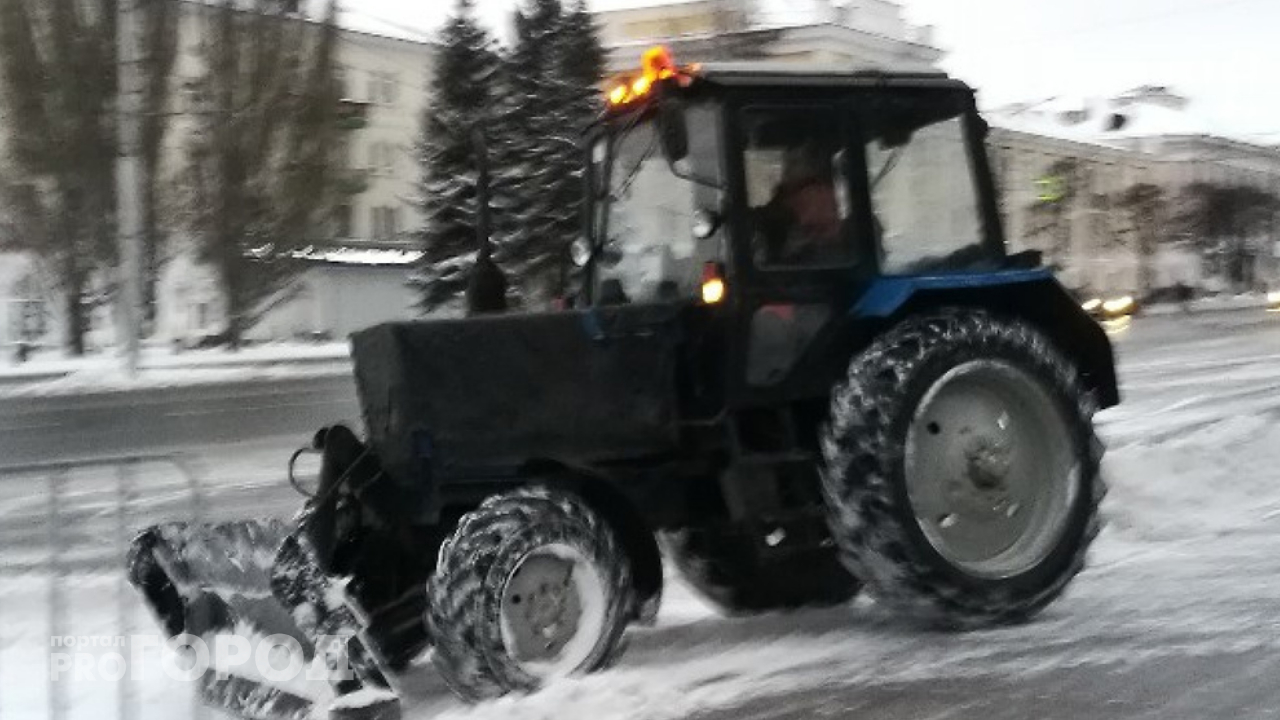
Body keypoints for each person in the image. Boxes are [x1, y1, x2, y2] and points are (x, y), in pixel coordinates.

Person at [755, 144, 847, 265]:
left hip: (811, 260)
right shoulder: (787, 194)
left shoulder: (814, 194)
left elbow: (792, 220)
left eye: (795, 163)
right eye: (787, 163)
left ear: (810, 167)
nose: (787, 170)